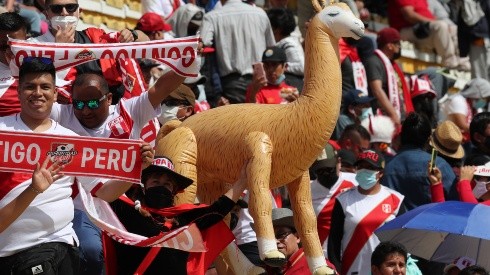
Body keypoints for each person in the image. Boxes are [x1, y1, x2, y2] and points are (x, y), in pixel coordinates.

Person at [0, 57, 154, 275]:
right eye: (29, 87)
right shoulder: (3, 134)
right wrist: (33, 190)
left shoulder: (70, 141)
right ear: (18, 91)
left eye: (45, 87)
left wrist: (136, 169)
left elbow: (105, 192)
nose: (38, 93)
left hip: (59, 249)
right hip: (9, 253)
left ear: (55, 94)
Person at [109, 156, 248, 274]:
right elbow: (101, 194)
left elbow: (217, 210)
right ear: (143, 187)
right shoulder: (126, 211)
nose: (161, 187)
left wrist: (242, 182)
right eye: (155, 182)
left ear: (174, 191)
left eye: (167, 184)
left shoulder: (184, 218)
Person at [31, 0, 150, 103]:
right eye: (57, 9)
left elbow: (146, 40)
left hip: (103, 114)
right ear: (46, 14)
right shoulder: (33, 46)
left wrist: (132, 34)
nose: (64, 13)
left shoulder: (94, 37)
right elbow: (36, 87)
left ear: (79, 12)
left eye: (70, 7)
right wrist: (60, 49)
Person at [328, 150, 405, 275]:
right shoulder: (343, 200)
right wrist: (336, 268)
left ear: (380, 173)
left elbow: (402, 239)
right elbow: (334, 242)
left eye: (369, 167)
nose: (364, 170)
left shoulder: (396, 199)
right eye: (361, 166)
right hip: (352, 269)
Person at [200, 0, 275, 104]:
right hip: (260, 79)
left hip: (232, 84)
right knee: (263, 118)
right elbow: (272, 48)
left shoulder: (212, 16)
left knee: (240, 119)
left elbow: (202, 44)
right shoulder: (260, 13)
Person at [382, 112, 458, 211]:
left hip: (397, 225)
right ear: (429, 140)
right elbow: (456, 202)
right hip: (432, 224)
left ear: (400, 137)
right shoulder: (439, 165)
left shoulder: (388, 167)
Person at [387, 0, 466, 69]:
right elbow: (409, 15)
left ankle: (462, 61)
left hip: (422, 28)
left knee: (453, 29)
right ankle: (449, 62)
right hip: (405, 30)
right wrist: (432, 22)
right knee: (440, 26)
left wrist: (436, 22)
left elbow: (427, 14)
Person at [257, 207, 337, 274]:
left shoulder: (317, 265)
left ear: (297, 237)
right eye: (269, 238)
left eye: (281, 235)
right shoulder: (266, 268)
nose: (275, 241)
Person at [310, 143, 357, 257]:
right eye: (320, 171)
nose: (326, 174)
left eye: (329, 169)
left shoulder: (355, 183)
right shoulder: (307, 191)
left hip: (351, 251)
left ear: (339, 162)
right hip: (322, 256)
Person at [364, 27, 414, 129]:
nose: (400, 47)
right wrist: (393, 114)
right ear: (390, 45)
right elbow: (377, 90)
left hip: (399, 116)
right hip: (383, 117)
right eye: (398, 44)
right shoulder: (374, 61)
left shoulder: (393, 65)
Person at [266, 8, 305, 92]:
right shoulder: (282, 43)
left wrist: (280, 67)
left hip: (292, 86)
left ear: (277, 29)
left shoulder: (289, 44)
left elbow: (301, 67)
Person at [0, 12, 26, 117]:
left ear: (26, 40)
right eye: (3, 46)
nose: (9, 51)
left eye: (15, 46)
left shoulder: (41, 65)